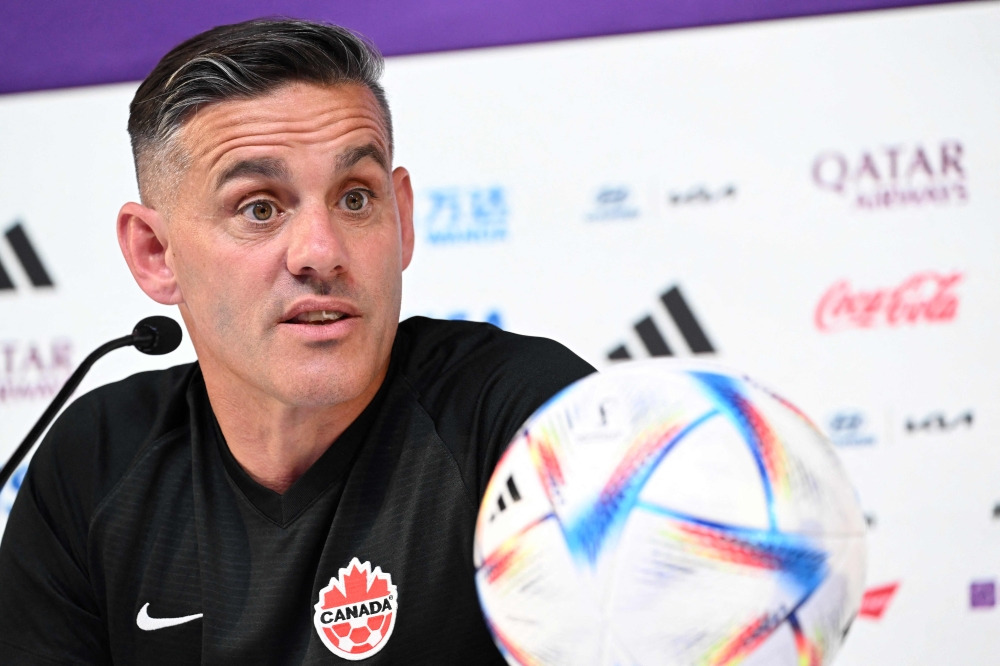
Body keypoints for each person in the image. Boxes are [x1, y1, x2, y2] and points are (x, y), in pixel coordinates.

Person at [0, 19, 593, 665]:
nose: (321, 253)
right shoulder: (97, 464)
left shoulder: (528, 421)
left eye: (356, 198)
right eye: (260, 207)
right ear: (155, 253)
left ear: (402, 218)